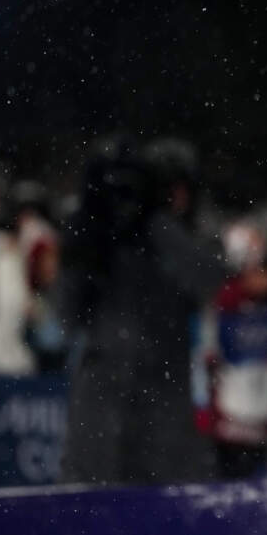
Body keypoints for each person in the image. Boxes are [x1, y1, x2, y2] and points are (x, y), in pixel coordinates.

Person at [59, 136, 227, 484]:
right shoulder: (102, 242)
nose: (174, 197)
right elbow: (65, 316)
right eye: (165, 188)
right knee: (91, 511)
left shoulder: (182, 239)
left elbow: (213, 281)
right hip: (101, 409)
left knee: (163, 514)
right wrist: (90, 229)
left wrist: (154, 222)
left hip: (165, 411)